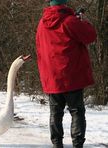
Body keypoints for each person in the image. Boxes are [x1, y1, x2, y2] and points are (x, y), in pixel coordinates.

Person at [35, 0, 97, 148]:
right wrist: (84, 22)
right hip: (72, 77)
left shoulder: (41, 24)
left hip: (52, 77)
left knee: (55, 113)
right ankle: (77, 145)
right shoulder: (70, 21)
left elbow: (39, 48)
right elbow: (90, 36)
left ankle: (57, 145)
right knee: (77, 112)